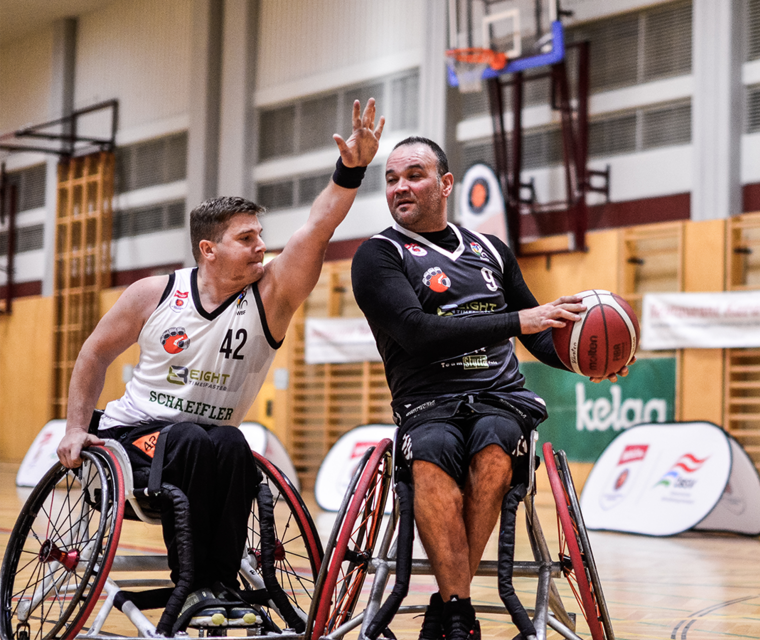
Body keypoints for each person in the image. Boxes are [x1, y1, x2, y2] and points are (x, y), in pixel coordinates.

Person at [55, 99, 385, 629]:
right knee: (189, 437)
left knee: (233, 440)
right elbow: (93, 350)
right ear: (208, 249)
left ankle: (219, 584)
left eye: (260, 235)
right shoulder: (155, 293)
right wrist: (75, 429)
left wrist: (352, 169)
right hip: (132, 438)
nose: (262, 247)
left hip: (209, 443)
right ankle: (192, 583)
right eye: (247, 238)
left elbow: (317, 228)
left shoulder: (270, 296)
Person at [351, 136, 630, 640]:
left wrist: (585, 361)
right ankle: (458, 609)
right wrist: (519, 319)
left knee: (496, 448)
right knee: (433, 452)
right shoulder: (377, 256)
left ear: (445, 183)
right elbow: (415, 331)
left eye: (414, 175)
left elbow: (540, 336)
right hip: (426, 401)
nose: (400, 187)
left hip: (500, 396)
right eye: (391, 179)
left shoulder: (490, 251)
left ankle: (448, 604)